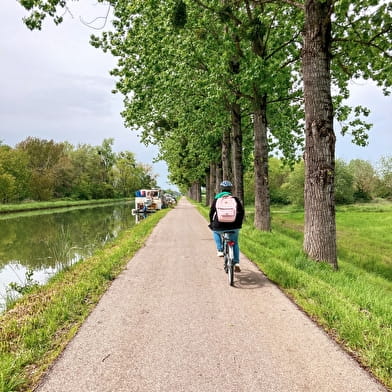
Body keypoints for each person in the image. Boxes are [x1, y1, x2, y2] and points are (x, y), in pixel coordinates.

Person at [209, 180, 244, 272]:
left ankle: (220, 250)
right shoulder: (235, 199)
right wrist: (239, 223)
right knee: (234, 242)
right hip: (234, 225)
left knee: (215, 232)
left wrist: (212, 223)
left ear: (221, 189)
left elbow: (211, 212)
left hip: (219, 225)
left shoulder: (217, 199)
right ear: (231, 190)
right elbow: (241, 212)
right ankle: (236, 262)